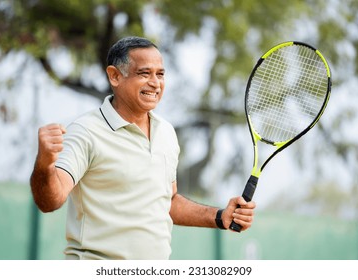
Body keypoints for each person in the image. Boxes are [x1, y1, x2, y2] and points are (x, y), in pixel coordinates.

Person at [30, 36, 256, 260]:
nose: (155, 83)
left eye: (160, 74)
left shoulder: (166, 132)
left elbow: (168, 201)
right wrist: (45, 163)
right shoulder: (85, 131)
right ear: (115, 76)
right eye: (144, 73)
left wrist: (220, 216)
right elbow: (50, 200)